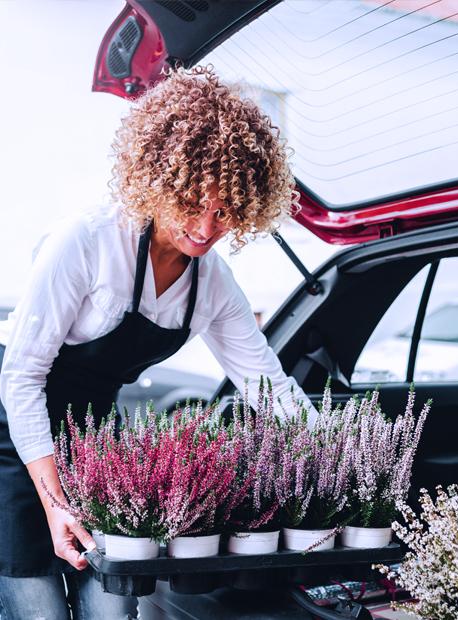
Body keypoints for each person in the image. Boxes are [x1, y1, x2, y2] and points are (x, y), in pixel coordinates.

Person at [0, 64, 318, 619]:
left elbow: (267, 386)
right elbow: (22, 377)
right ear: (160, 179)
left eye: (226, 211)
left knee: (113, 607)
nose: (206, 226)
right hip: (15, 433)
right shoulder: (89, 240)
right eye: (194, 201)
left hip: (96, 441)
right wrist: (54, 504)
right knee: (38, 607)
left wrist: (333, 454)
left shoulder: (213, 283)